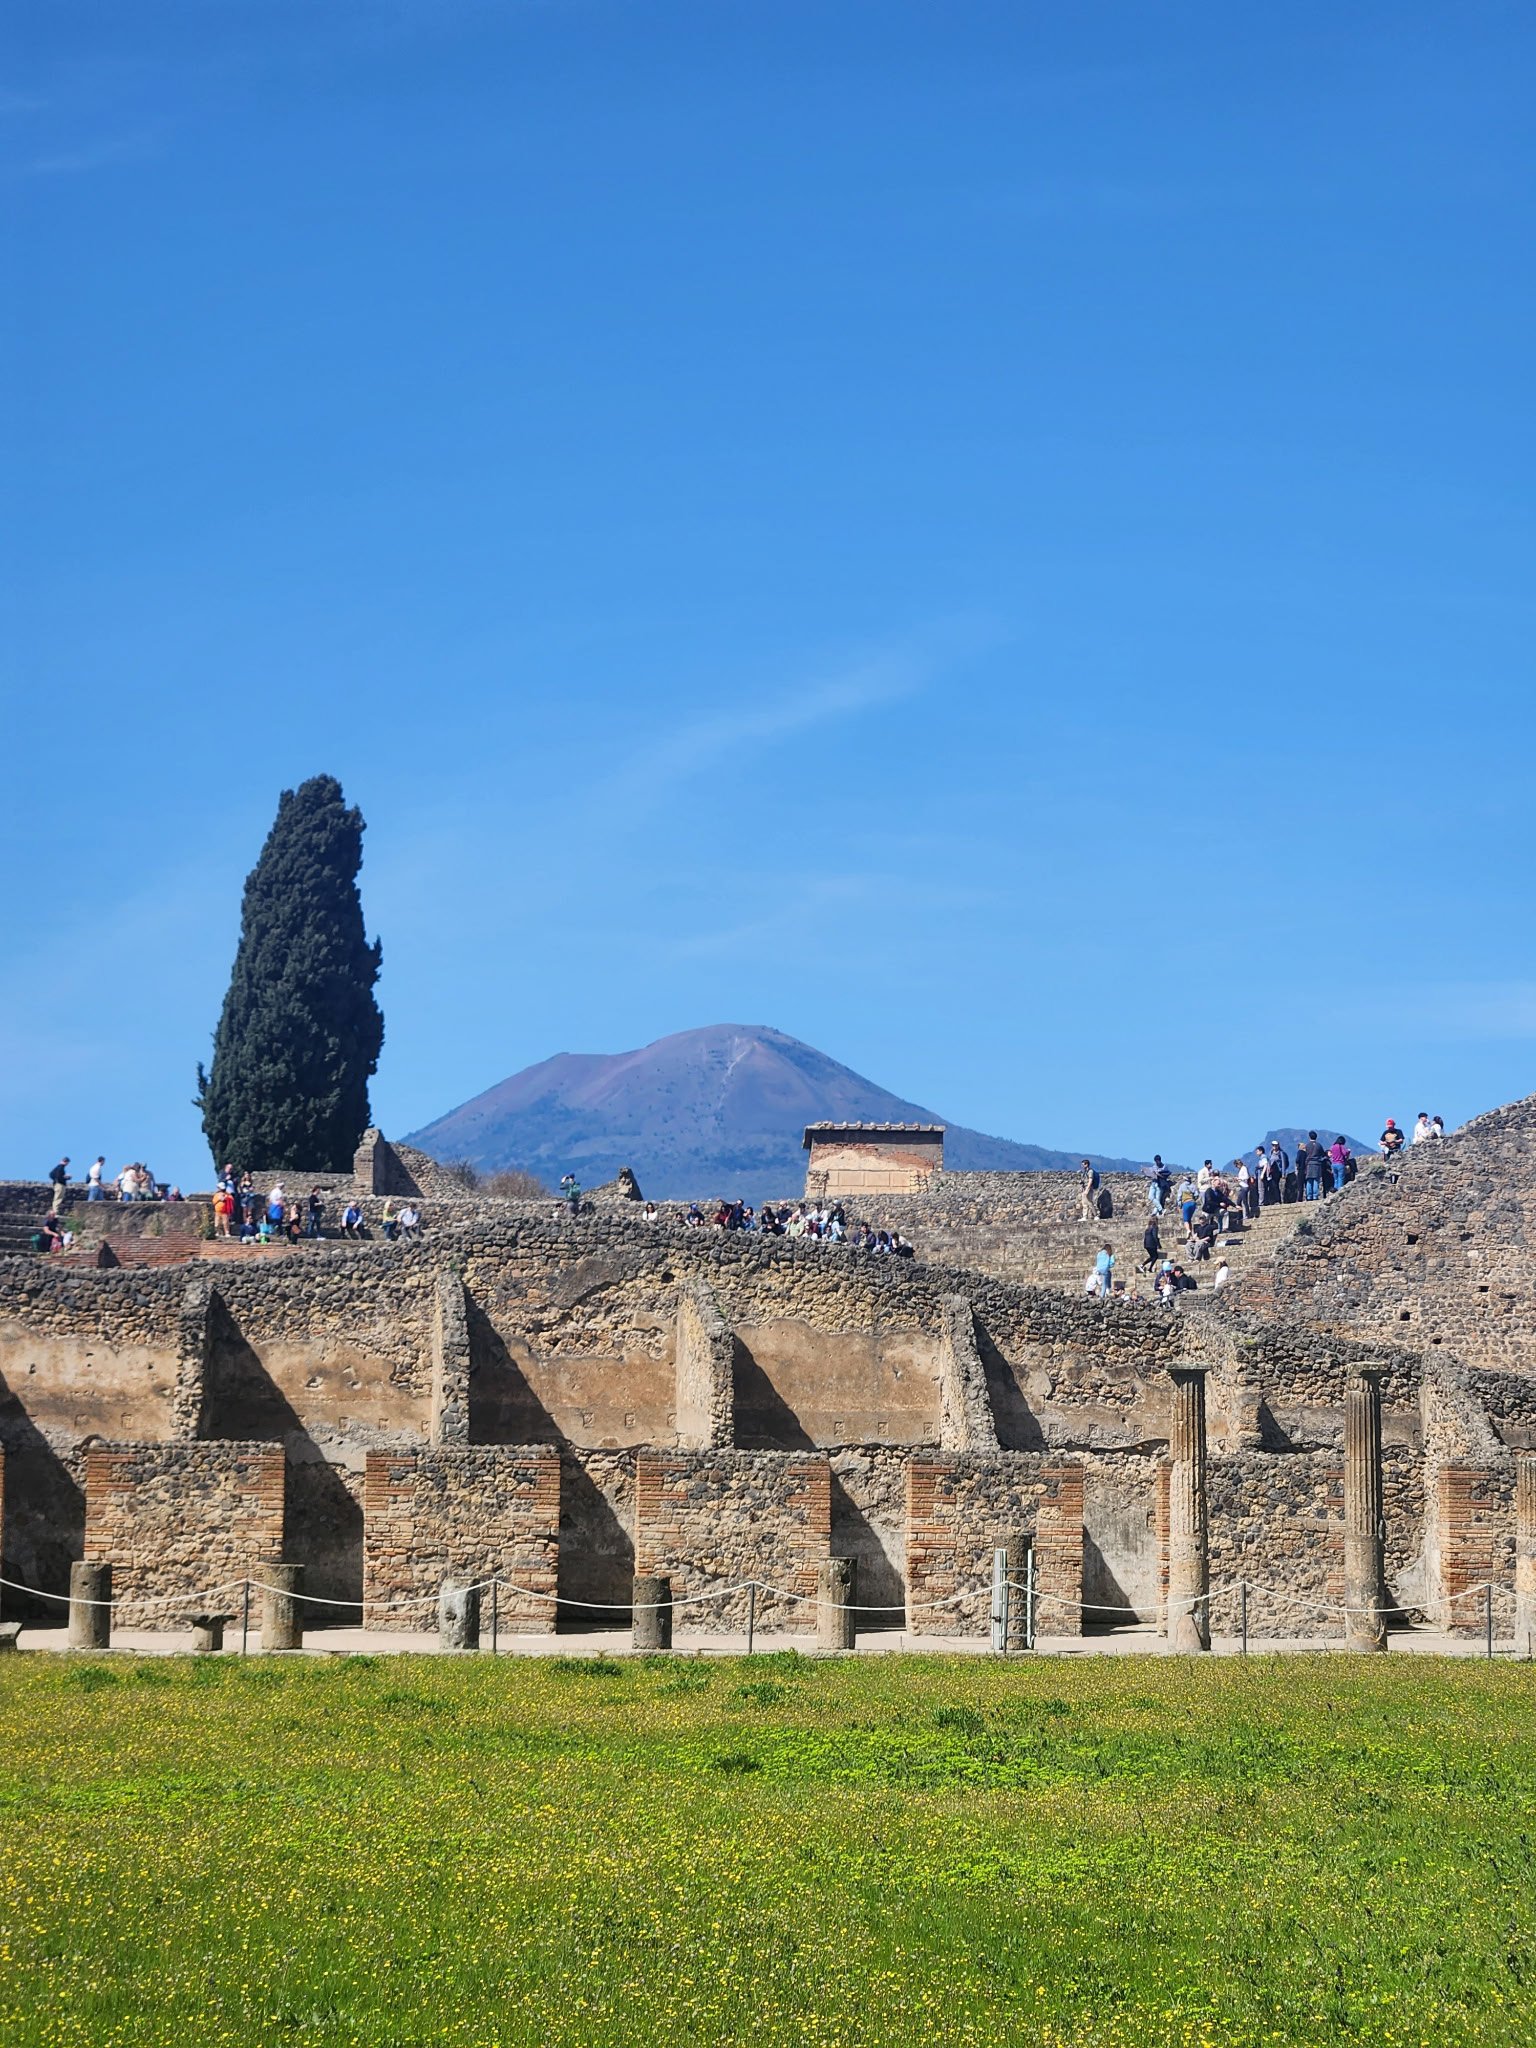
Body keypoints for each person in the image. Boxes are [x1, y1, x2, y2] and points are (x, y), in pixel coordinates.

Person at [1079, 1160, 1101, 1224]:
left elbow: (1090, 1181)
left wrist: (1087, 1190)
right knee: (1084, 1203)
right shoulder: (1085, 1172)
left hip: (1088, 1188)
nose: (1082, 1166)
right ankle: (1084, 1216)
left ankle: (1095, 1215)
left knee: (1089, 1202)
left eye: (1083, 1164)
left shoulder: (1090, 1171)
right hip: (1085, 1188)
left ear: (1086, 1164)